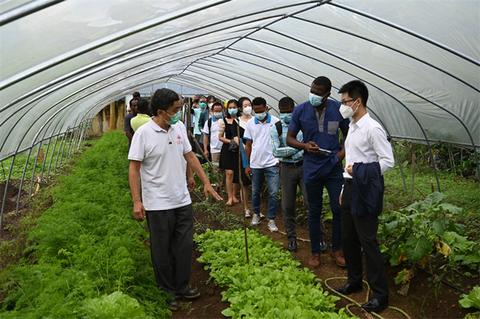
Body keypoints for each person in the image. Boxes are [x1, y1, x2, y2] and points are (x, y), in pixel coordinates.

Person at [128, 88, 222, 311]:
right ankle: (166, 290)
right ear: (161, 111)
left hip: (181, 199)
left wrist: (205, 181)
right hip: (157, 202)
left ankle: (182, 286)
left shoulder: (178, 127)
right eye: (176, 109)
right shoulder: (144, 134)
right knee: (161, 248)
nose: (179, 113)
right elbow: (134, 169)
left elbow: (189, 156)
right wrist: (136, 201)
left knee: (183, 246)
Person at [336, 80, 394, 313]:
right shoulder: (352, 126)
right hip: (350, 188)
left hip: (366, 190)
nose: (342, 106)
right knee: (348, 239)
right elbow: (349, 161)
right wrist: (343, 189)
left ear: (357, 101)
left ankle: (381, 295)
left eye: (345, 102)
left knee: (368, 242)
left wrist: (359, 170)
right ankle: (354, 280)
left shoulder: (372, 128)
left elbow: (388, 161)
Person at [287, 76, 349, 268]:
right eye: (312, 90)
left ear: (327, 94)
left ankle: (337, 249)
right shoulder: (301, 110)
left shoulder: (338, 109)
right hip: (312, 166)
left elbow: (350, 134)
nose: (313, 95)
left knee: (338, 208)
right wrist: (305, 145)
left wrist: (341, 154)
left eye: (318, 93)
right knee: (314, 210)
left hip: (333, 167)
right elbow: (289, 139)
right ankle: (315, 251)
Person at [271, 97, 307, 252]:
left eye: (289, 111)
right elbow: (275, 151)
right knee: (287, 205)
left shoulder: (303, 125)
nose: (286, 115)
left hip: (304, 167)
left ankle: (318, 238)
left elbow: (308, 145)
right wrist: (298, 148)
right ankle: (291, 238)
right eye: (283, 112)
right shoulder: (276, 127)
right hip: (286, 168)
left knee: (311, 202)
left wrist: (296, 147)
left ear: (294, 110)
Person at [244, 97, 280, 232]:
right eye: (256, 111)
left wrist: (279, 159)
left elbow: (280, 142)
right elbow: (248, 145)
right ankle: (256, 214)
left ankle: (271, 219)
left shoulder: (276, 122)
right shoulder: (250, 124)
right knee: (255, 191)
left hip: (273, 162)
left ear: (266, 108)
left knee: (274, 192)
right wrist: (247, 164)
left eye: (261, 110)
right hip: (256, 163)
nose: (259, 113)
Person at [218, 99, 251, 211]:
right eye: (230, 107)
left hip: (239, 150)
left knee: (237, 173)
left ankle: (235, 194)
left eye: (234, 107)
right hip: (228, 150)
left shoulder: (240, 120)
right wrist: (231, 141)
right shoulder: (224, 121)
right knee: (229, 173)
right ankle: (230, 196)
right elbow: (220, 137)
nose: (232, 109)